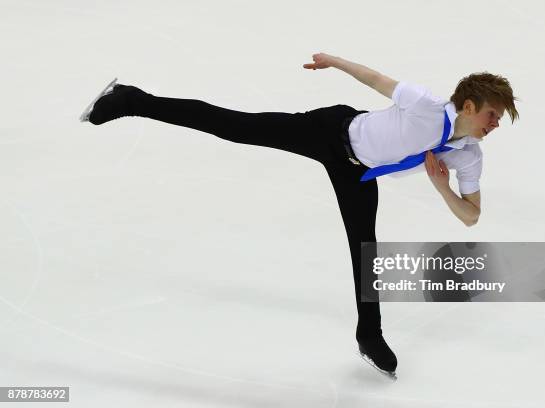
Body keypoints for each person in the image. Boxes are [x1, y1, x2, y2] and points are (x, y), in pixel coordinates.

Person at [79, 52, 519, 379]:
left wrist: (441, 186)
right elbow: (376, 79)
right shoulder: (424, 104)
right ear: (466, 106)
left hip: (359, 175)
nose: (495, 123)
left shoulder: (467, 155)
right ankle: (131, 100)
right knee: (237, 126)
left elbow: (470, 217)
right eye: (492, 114)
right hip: (329, 131)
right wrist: (332, 61)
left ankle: (369, 335)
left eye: (498, 119)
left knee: (366, 251)